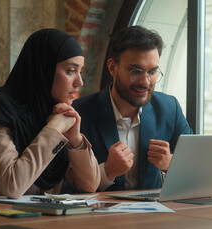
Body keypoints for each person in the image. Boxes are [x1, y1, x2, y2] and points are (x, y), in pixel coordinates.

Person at [0, 29, 100, 198]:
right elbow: (12, 185)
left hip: (42, 218)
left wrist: (76, 140)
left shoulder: (56, 111)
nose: (79, 82)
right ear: (45, 68)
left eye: (80, 71)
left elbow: (89, 185)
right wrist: (54, 130)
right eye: (71, 70)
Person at [71, 26, 193, 191]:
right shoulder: (78, 114)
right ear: (113, 68)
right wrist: (106, 171)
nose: (145, 82)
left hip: (156, 214)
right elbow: (63, 187)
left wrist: (171, 164)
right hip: (101, 215)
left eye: (152, 72)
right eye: (136, 71)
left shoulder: (169, 108)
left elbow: (196, 169)